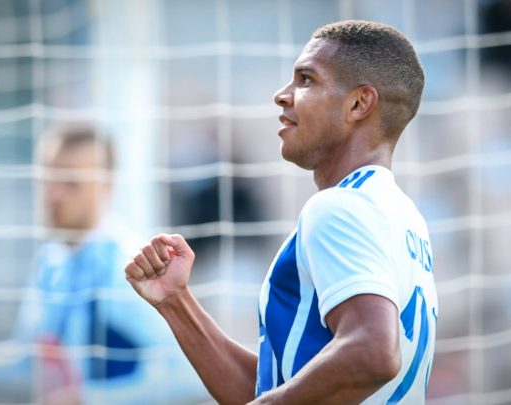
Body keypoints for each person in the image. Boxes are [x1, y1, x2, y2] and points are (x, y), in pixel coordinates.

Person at [125, 20, 438, 404]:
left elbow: (372, 353)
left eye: (306, 79)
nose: (282, 95)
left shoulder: (338, 208)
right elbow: (278, 392)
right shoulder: (402, 217)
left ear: (359, 104)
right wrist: (176, 302)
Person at [0, 124, 205, 404]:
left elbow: (190, 377)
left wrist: (89, 399)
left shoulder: (127, 269)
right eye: (48, 179)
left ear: (106, 187)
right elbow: (30, 360)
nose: (54, 194)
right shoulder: (52, 262)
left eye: (71, 182)